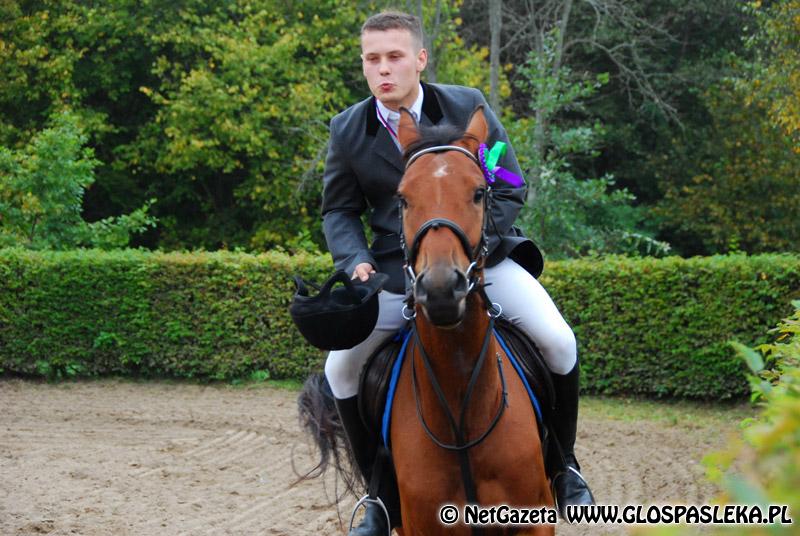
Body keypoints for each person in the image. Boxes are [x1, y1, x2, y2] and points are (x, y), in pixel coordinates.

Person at [321, 11, 594, 535]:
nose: (383, 69)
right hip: (393, 272)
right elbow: (338, 210)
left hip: (480, 258)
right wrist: (354, 261)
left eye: (395, 56)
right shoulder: (348, 129)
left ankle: (564, 468)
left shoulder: (469, 107)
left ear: (420, 59)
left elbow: (508, 183)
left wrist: (474, 247)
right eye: (372, 59)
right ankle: (378, 497)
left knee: (559, 342)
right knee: (340, 371)